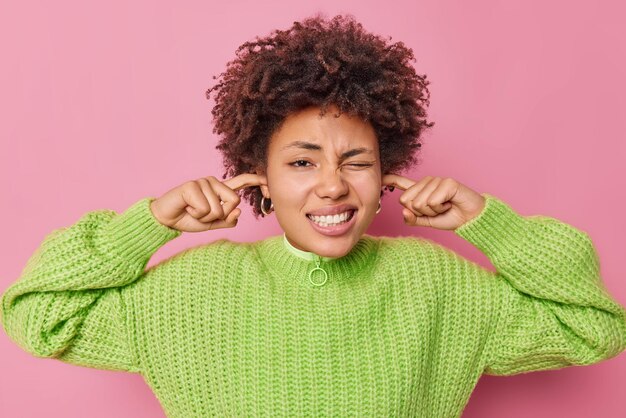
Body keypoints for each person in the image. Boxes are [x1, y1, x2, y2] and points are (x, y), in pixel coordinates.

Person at [2, 13, 625, 418]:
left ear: (386, 177)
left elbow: (593, 328)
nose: (332, 185)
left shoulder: (438, 285)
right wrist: (148, 225)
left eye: (356, 161)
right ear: (261, 182)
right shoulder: (190, 289)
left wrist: (492, 222)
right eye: (302, 163)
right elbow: (39, 317)